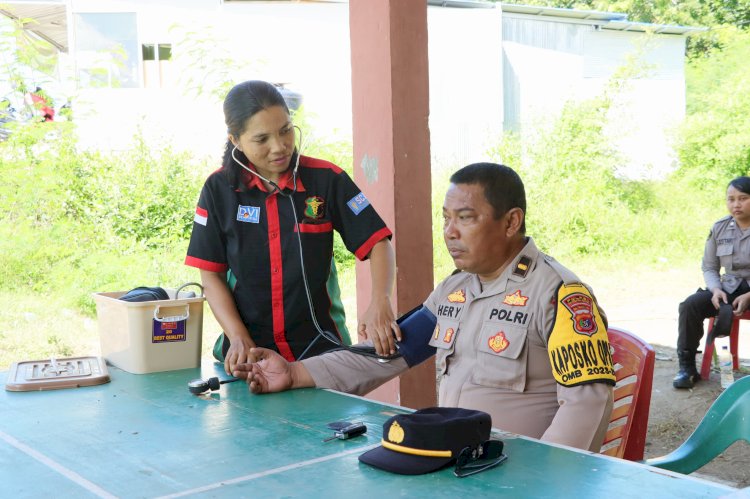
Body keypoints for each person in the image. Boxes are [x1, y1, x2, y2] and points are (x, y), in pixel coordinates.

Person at [233, 163, 616, 452]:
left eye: (465, 218)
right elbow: (385, 354)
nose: (450, 232)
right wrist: (296, 372)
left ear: (511, 221)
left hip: (518, 474)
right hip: (460, 466)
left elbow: (588, 403)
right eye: (446, 218)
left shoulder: (558, 294)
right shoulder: (455, 290)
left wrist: (551, 479)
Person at [185, 80, 398, 376]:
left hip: (320, 354)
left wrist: (380, 301)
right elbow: (210, 274)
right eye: (261, 139)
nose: (279, 147)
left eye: (285, 130)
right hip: (250, 359)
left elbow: (378, 242)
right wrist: (237, 336)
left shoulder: (327, 179)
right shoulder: (218, 190)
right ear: (235, 140)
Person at [673, 176, 750, 389]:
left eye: (743, 198)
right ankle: (687, 367)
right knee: (690, 305)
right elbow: (709, 267)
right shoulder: (720, 228)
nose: (736, 204)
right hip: (728, 288)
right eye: (731, 199)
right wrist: (715, 290)